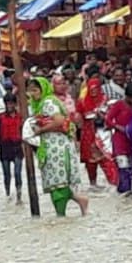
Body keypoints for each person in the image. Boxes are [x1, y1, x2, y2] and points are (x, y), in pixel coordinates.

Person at [27, 77, 88, 216]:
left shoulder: (48, 102)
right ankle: (79, 201)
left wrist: (41, 130)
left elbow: (59, 121)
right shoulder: (38, 104)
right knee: (55, 182)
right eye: (30, 90)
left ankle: (62, 216)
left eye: (35, 90)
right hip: (49, 146)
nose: (32, 93)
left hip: (57, 147)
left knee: (58, 183)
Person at [105, 83, 132, 195]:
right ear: (126, 96)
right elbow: (108, 119)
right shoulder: (119, 105)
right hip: (120, 140)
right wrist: (118, 127)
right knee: (123, 167)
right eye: (130, 98)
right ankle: (124, 192)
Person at [76, 74, 116, 188]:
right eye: (91, 89)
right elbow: (78, 119)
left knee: (107, 160)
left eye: (96, 89)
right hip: (88, 135)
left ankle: (113, 185)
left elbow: (111, 116)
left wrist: (102, 115)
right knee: (91, 163)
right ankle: (93, 185)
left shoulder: (105, 100)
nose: (93, 91)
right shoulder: (82, 102)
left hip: (103, 135)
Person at [0, 93, 23, 203]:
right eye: (7, 103)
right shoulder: (0, 118)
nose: (9, 106)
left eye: (11, 103)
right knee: (6, 174)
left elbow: (26, 133)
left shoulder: (21, 117)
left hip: (17, 147)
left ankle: (19, 195)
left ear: (15, 104)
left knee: (17, 173)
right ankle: (8, 194)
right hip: (5, 148)